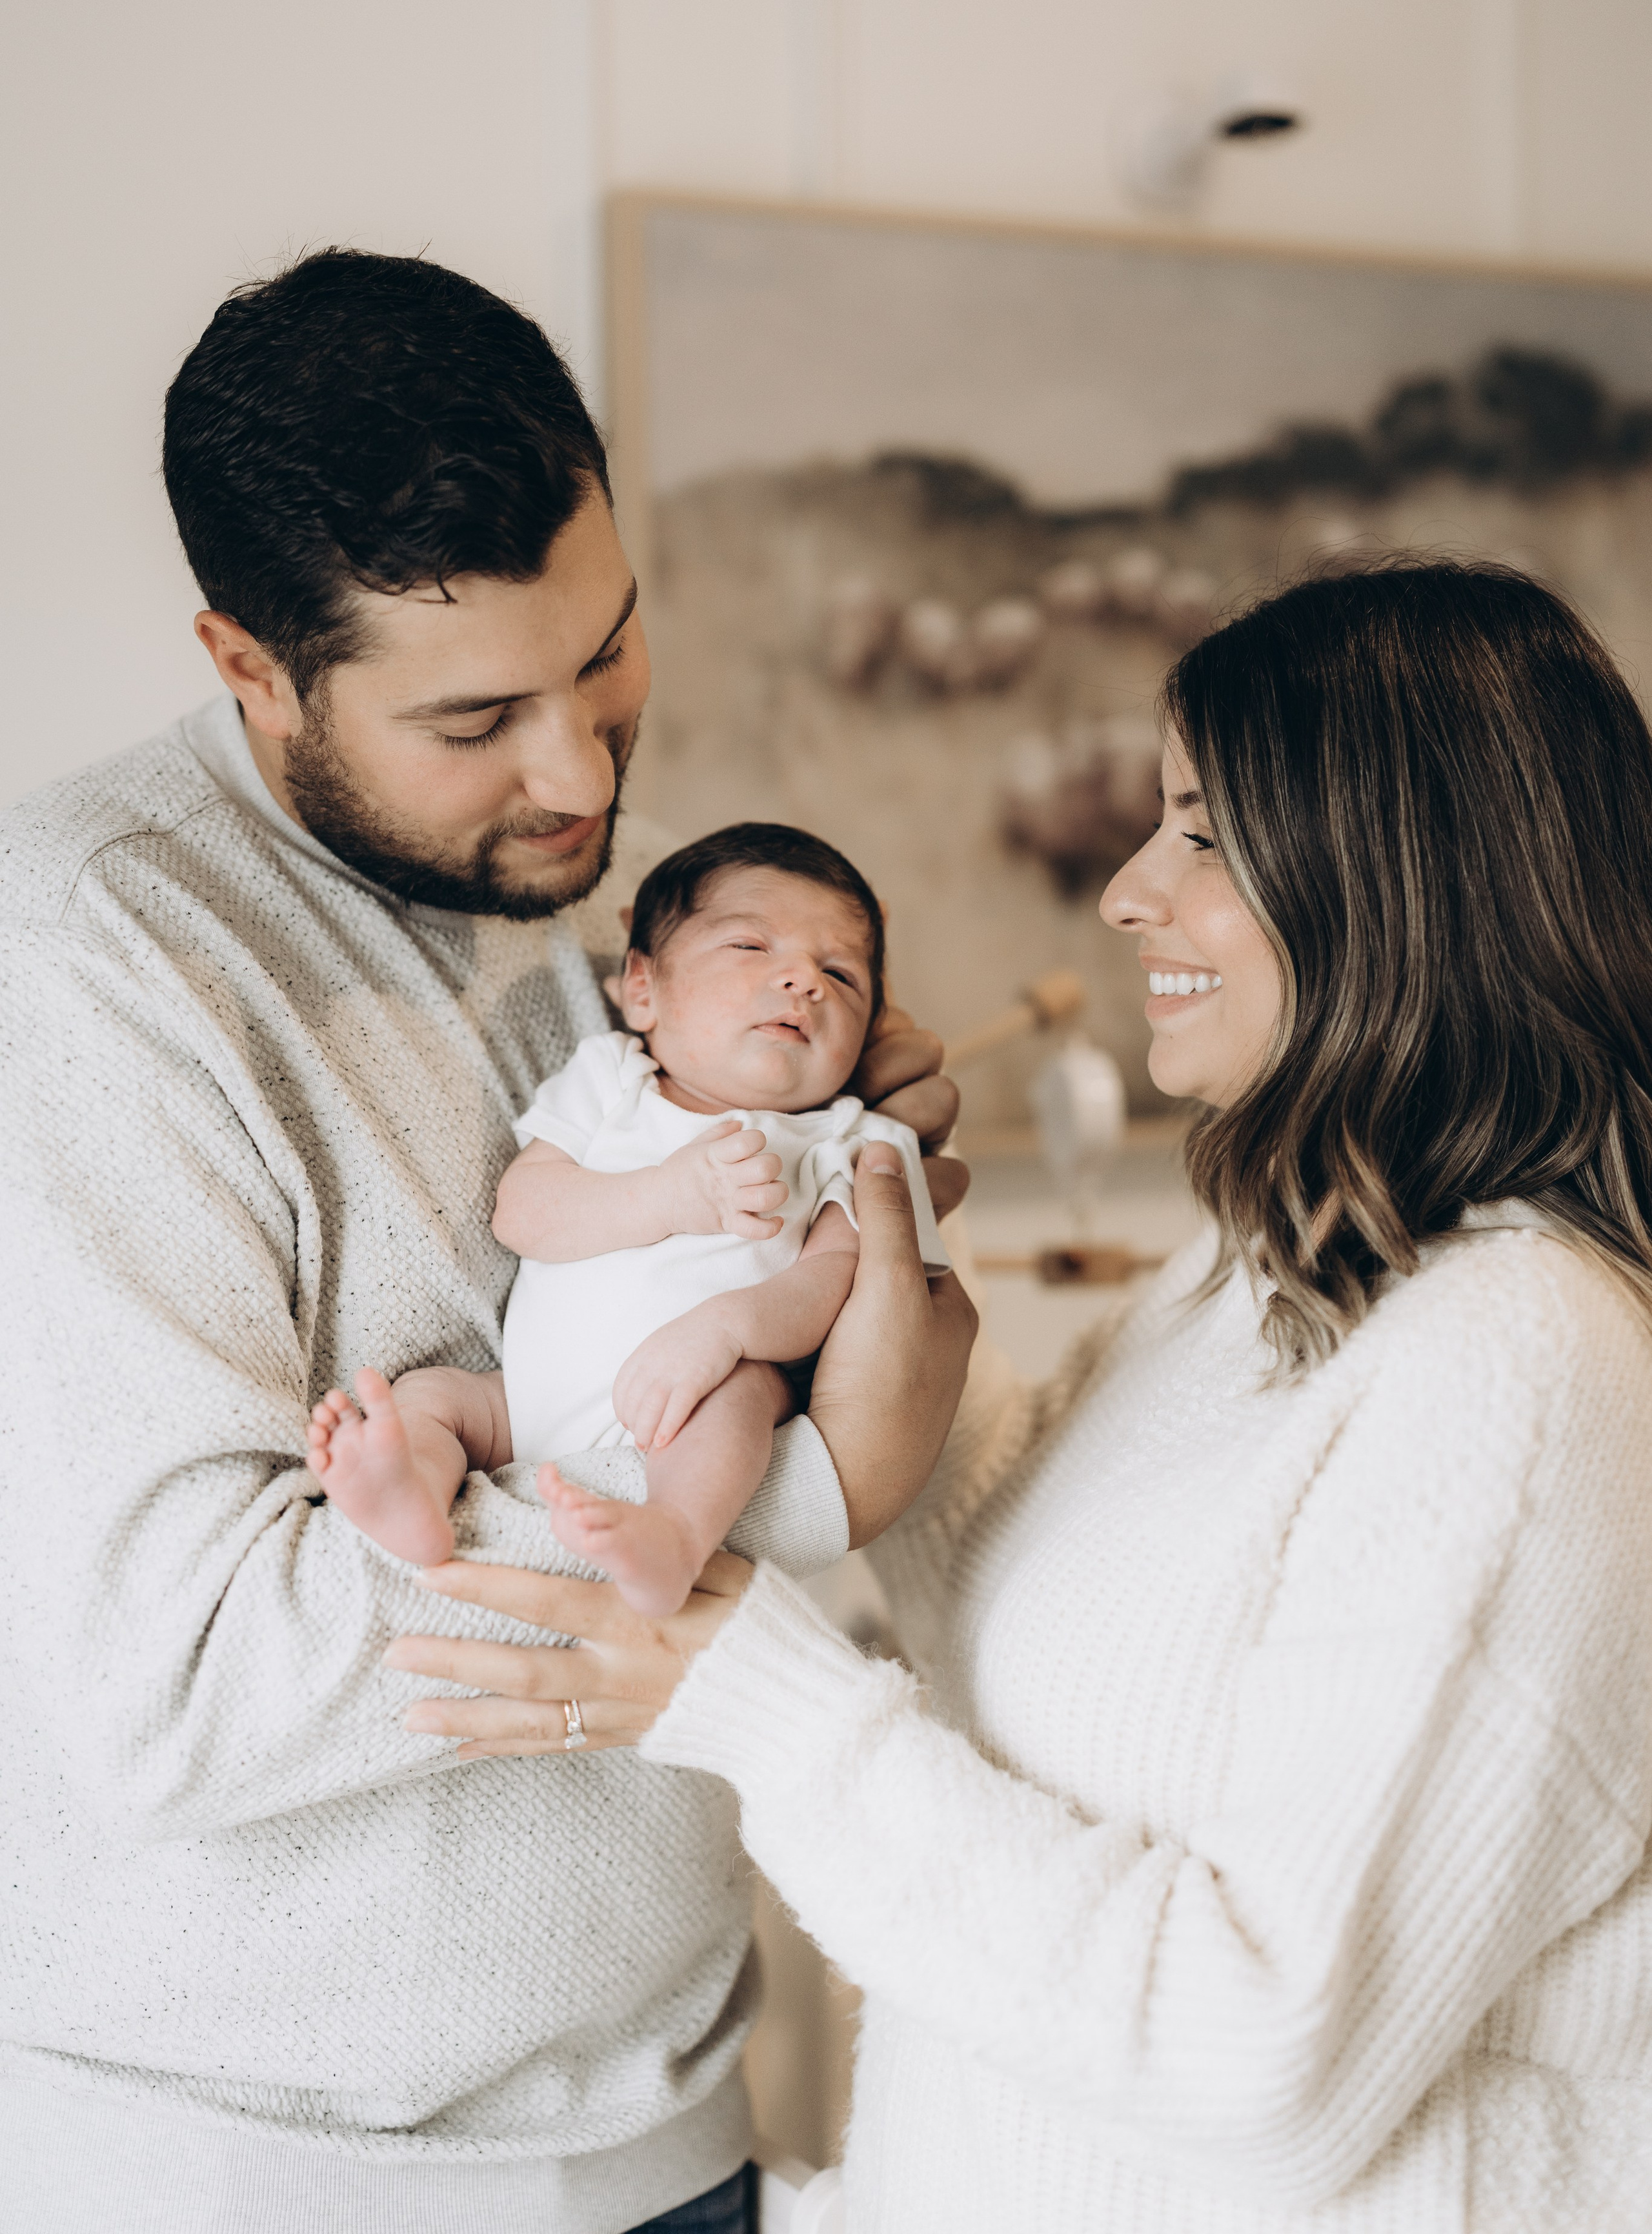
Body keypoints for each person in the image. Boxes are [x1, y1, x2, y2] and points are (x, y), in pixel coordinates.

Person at [398, 563, 1652, 2231]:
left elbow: (1256, 2067)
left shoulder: (1523, 1372)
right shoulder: (1264, 1276)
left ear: (1398, 876)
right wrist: (886, 1270)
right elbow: (1029, 1584)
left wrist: (750, 1696)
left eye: (1200, 831)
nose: (1129, 892)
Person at [0, 248, 972, 2234]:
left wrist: (853, 1191)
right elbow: (184, 1673)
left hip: (677, 2122)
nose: (585, 772)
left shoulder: (598, 899)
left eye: (608, 653)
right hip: (265, 2184)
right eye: (477, 717)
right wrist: (788, 1491)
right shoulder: (94, 962)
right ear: (252, 665)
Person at [308, 821, 949, 1614]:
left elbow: (835, 1282)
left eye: (842, 975)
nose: (803, 981)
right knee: (433, 1399)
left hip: (699, 1395)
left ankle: (674, 1533)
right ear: (642, 989)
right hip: (526, 1400)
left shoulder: (852, 1138)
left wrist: (726, 1332)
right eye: (751, 947)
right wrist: (669, 1196)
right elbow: (524, 1213)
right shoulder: (610, 1079)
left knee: (745, 1397)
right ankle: (410, 1494)